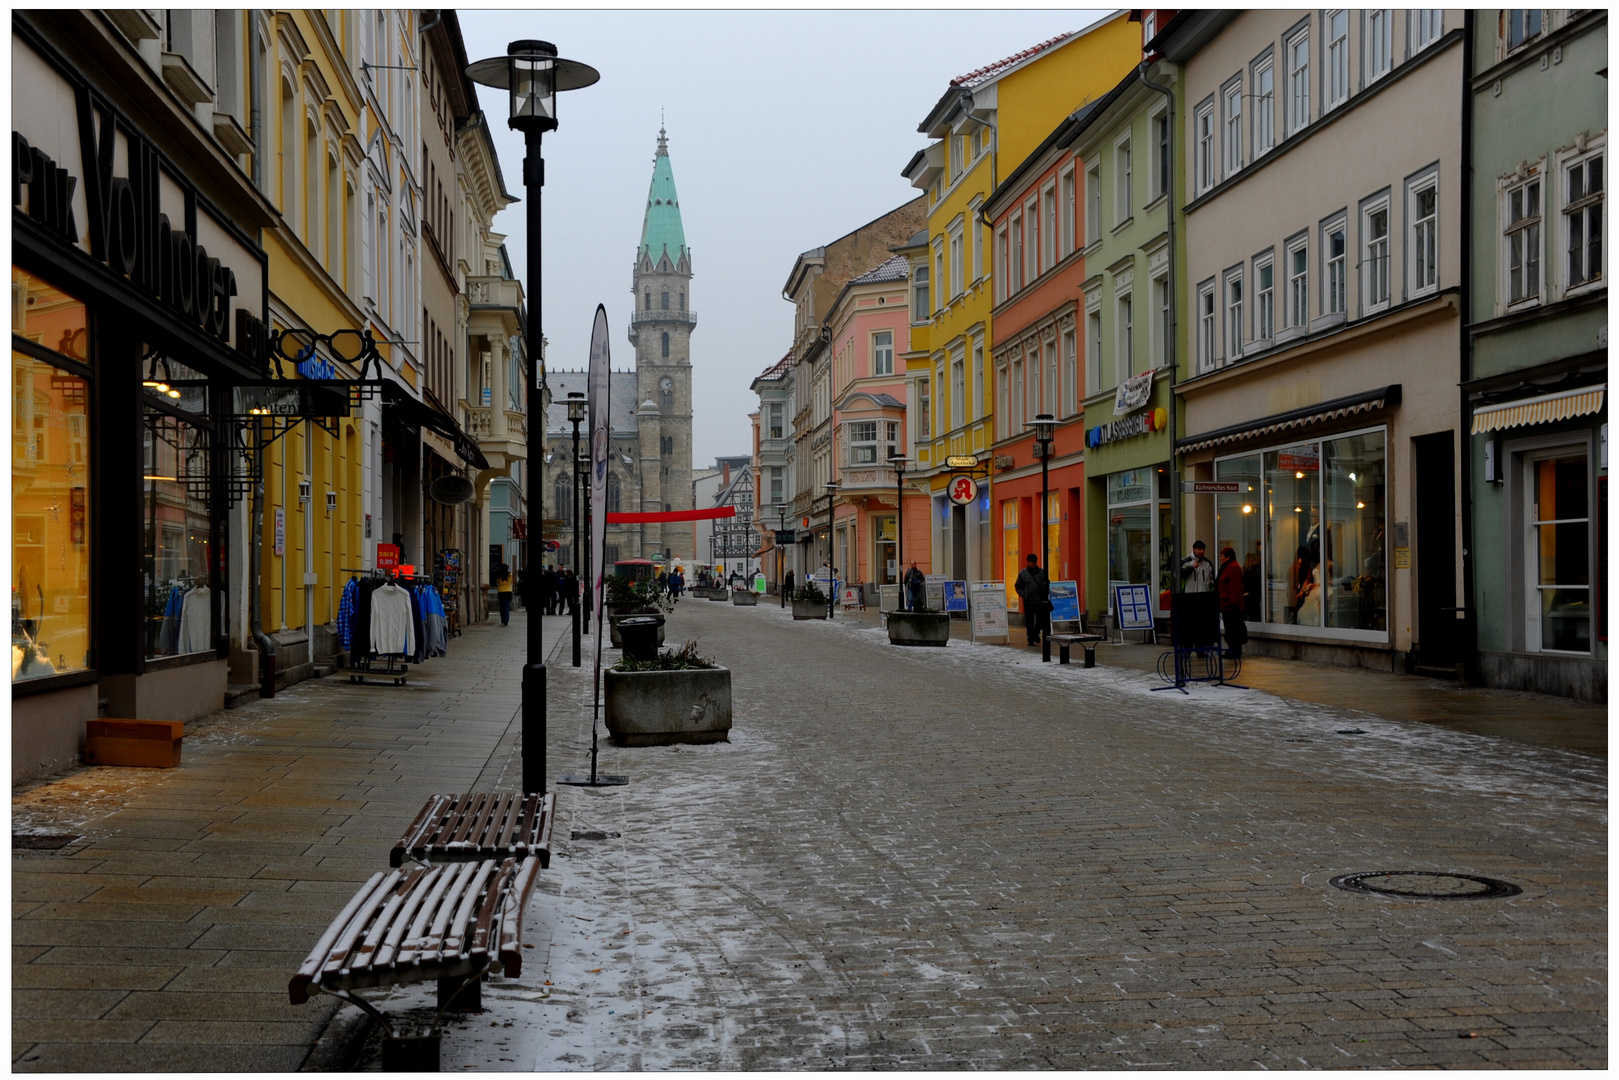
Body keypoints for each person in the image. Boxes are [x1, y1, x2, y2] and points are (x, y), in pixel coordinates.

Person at [1014, 553, 1051, 647]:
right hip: (1028, 601)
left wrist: (1045, 594)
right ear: (1029, 562)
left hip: (1039, 601)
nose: (1034, 564)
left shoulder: (1042, 572)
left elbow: (1047, 583)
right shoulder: (1023, 573)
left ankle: (1036, 633)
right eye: (1032, 562)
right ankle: (1030, 639)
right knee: (1029, 621)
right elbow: (1018, 586)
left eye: (1035, 562)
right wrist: (1024, 594)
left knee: (1040, 621)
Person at [1217, 546, 1247, 659]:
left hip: (1232, 606)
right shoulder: (1227, 567)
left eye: (1222, 556)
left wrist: (1233, 603)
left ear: (1228, 557)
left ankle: (1234, 650)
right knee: (1229, 628)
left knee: (1233, 629)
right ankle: (1232, 649)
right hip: (1226, 605)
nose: (1221, 558)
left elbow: (1235, 588)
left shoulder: (1233, 568)